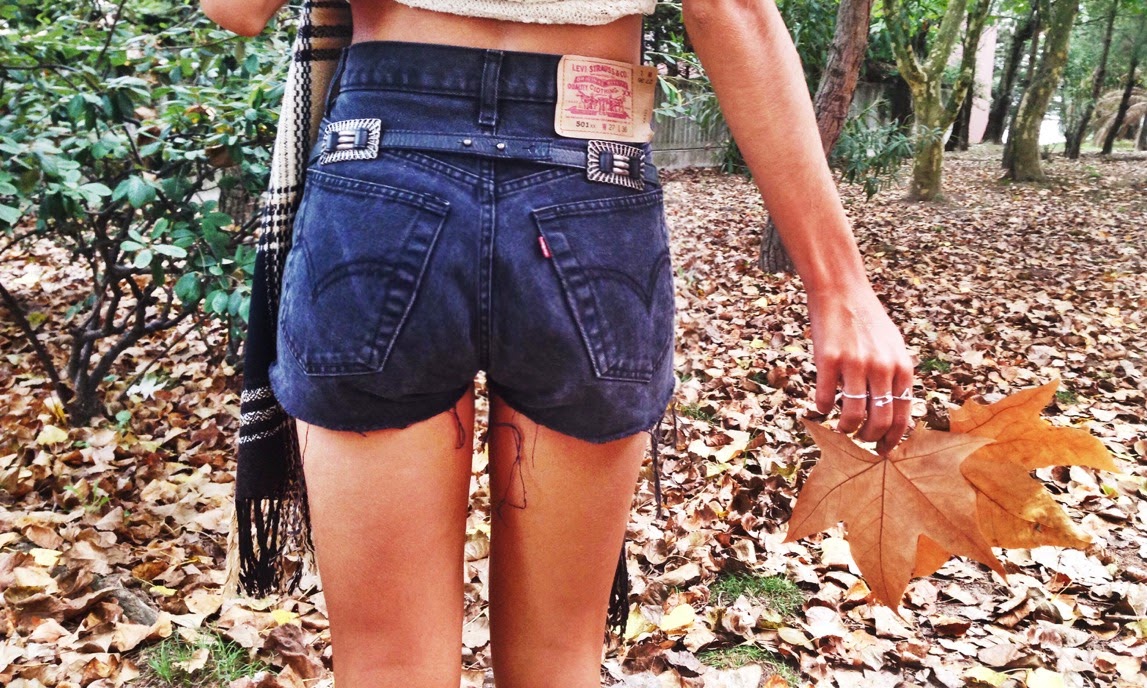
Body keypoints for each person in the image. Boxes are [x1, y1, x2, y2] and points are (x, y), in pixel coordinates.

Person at [200, 1, 915, 687]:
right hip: (591, 168)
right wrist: (838, 288)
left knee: (389, 668)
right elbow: (730, 9)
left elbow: (235, 10)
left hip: (385, 164)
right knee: (558, 661)